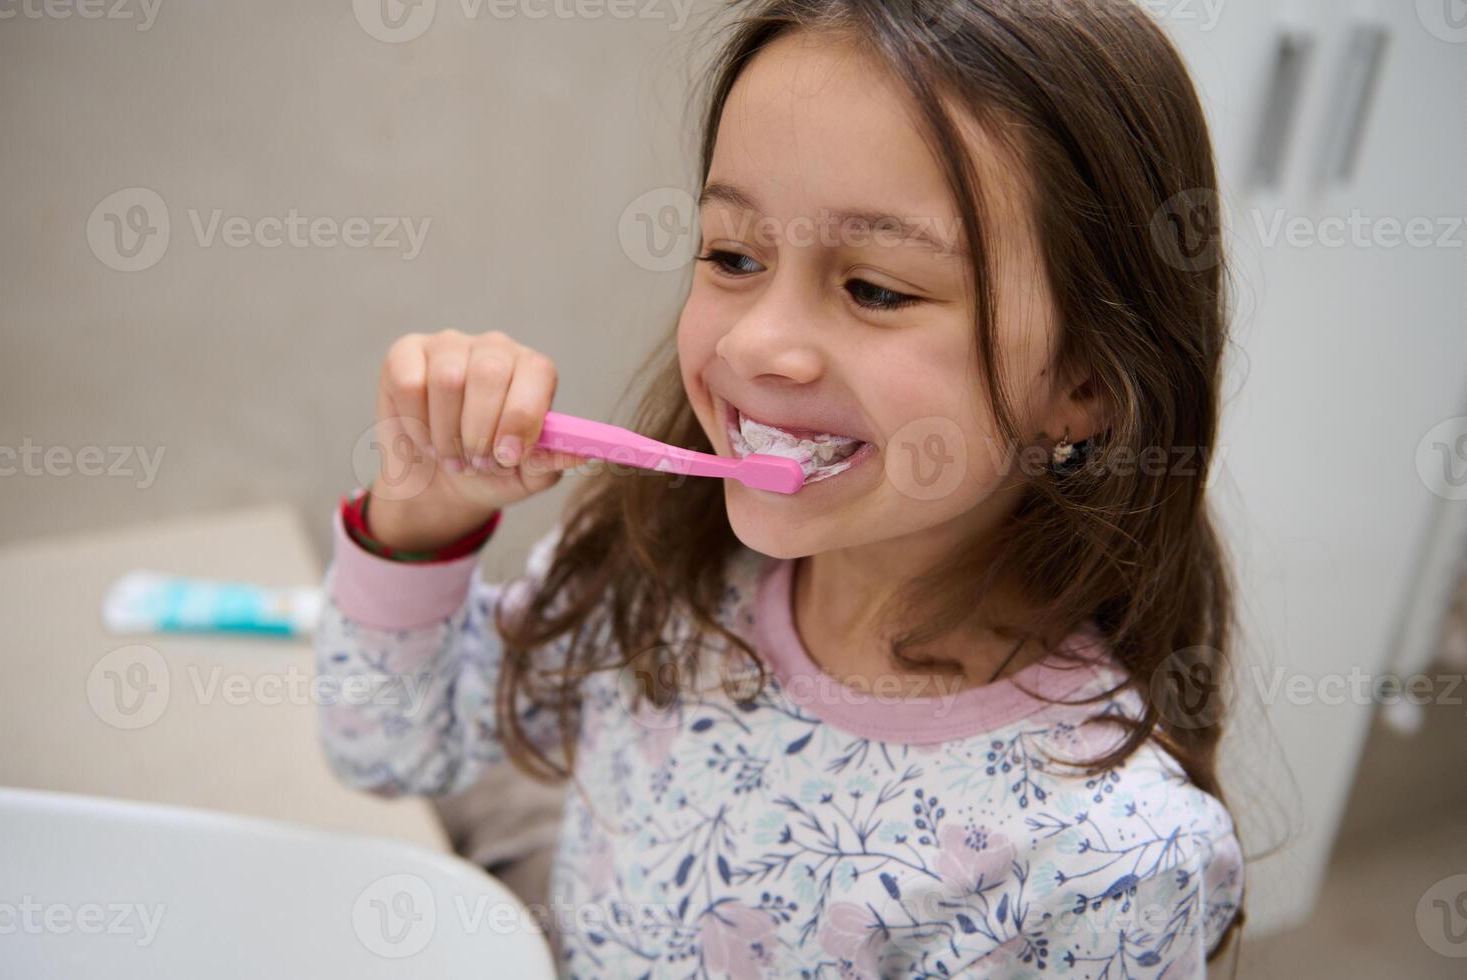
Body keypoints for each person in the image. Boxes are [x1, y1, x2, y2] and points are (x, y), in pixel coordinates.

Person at [316, 1, 1246, 974]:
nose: (753, 342)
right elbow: (388, 750)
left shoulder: (1106, 863)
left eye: (877, 287)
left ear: (1084, 383)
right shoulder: (657, 566)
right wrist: (420, 518)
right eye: (732, 255)